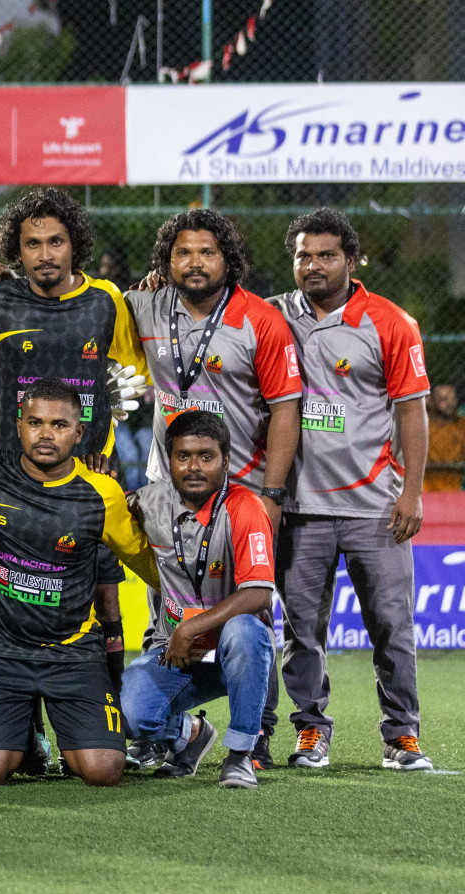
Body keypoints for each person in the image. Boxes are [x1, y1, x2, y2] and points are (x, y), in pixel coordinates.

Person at [126, 208, 303, 766]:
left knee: (250, 621)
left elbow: (285, 409)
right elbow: (85, 299)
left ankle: (257, 738)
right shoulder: (147, 305)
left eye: (207, 252)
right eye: (182, 253)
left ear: (228, 259)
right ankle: (173, 733)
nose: (194, 262)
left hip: (242, 492)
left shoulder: (260, 320)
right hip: (169, 489)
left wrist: (271, 495)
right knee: (168, 615)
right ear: (166, 261)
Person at [0, 187, 150, 701]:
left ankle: (113, 714)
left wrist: (101, 439)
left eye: (56, 242)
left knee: (105, 600)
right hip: (14, 478)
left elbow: (123, 378)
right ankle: (24, 730)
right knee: (12, 598)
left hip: (90, 476)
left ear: (75, 245)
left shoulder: (105, 301)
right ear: (16, 249)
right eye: (32, 244)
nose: (45, 255)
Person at [268, 208, 433, 770]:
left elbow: (413, 412)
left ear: (351, 260)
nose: (312, 265)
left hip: (374, 507)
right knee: (301, 630)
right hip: (299, 507)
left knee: (392, 627)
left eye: (326, 255)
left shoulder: (389, 322)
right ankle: (311, 730)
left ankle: (401, 735)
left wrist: (411, 493)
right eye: (303, 255)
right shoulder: (271, 318)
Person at [0, 378, 160, 787]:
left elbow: (141, 559)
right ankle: (20, 732)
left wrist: (190, 603)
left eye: (60, 425)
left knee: (103, 771)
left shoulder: (101, 491)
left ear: (79, 433)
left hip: (73, 654)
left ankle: (64, 729)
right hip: (0, 653)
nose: (46, 434)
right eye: (35, 422)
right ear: (18, 425)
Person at [121, 410, 278, 789]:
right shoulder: (147, 503)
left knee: (244, 630)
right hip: (176, 653)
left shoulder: (245, 507)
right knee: (126, 714)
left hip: (232, 653)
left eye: (206, 457)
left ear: (226, 460)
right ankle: (189, 735)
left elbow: (258, 593)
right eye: (183, 456)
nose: (194, 467)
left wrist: (190, 627)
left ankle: (241, 755)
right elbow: (109, 508)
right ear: (169, 458)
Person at [425, 381, 464, 491]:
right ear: (431, 401)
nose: (450, 403)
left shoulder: (461, 426)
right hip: (427, 489)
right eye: (443, 399)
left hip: (454, 489)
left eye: (452, 398)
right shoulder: (423, 426)